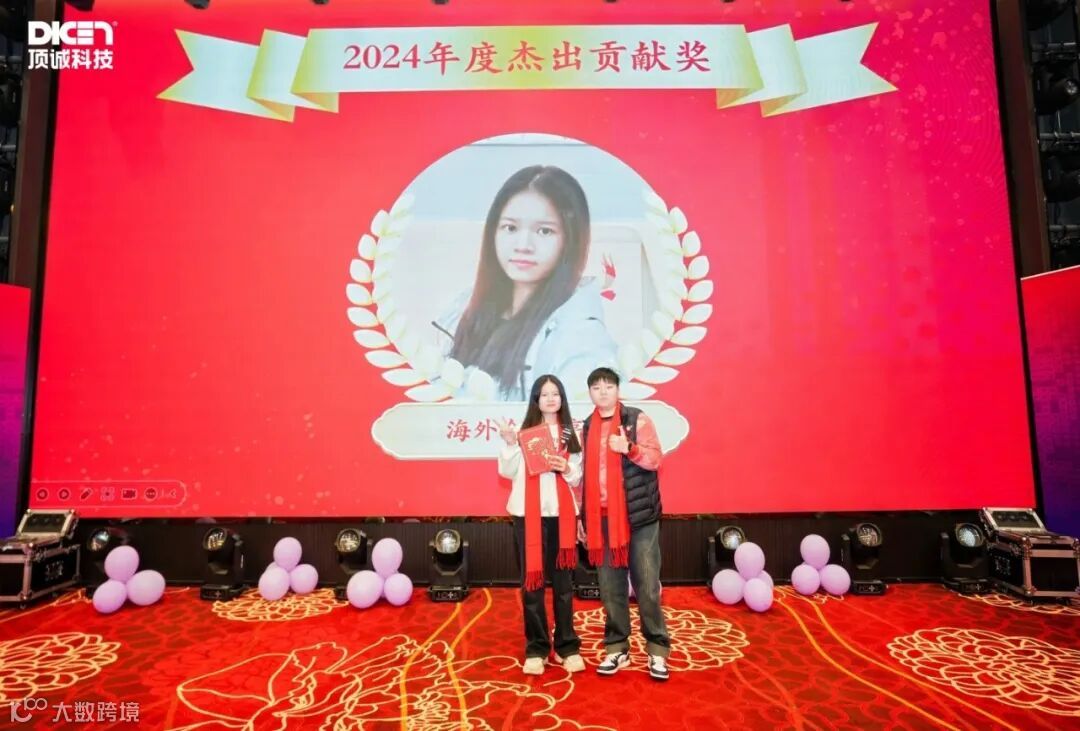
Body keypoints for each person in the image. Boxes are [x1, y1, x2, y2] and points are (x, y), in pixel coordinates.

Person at [434, 165, 617, 400]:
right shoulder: (464, 310)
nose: (523, 245)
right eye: (510, 228)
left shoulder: (581, 339)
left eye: (544, 231)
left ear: (569, 241)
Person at [579, 366, 671, 681]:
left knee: (647, 586)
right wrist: (582, 518)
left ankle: (657, 649)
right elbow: (585, 477)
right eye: (596, 387)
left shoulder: (637, 420)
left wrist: (628, 449)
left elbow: (655, 459)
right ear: (590, 393)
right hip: (602, 519)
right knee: (610, 588)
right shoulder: (587, 427)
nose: (603, 392)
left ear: (618, 390)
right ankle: (617, 646)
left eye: (608, 386)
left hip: (639, 517)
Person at [497, 374, 587, 675]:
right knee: (532, 585)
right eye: (544, 394)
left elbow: (577, 476)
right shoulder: (524, 433)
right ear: (536, 399)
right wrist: (510, 444)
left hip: (561, 516)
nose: (550, 398)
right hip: (527, 515)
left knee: (563, 585)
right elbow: (507, 471)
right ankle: (536, 648)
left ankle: (567, 646)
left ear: (562, 399)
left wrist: (567, 467)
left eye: (555, 393)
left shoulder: (571, 433)